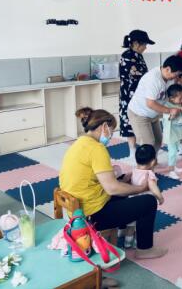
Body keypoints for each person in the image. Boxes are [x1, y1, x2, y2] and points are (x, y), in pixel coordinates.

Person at [59, 107, 166, 259]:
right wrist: (140, 188)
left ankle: (124, 233)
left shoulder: (79, 143)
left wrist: (122, 180)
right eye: (111, 130)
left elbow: (97, 180)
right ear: (104, 127)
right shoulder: (97, 149)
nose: (110, 136)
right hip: (92, 215)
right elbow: (112, 188)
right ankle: (145, 249)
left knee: (124, 189)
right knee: (148, 202)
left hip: (77, 210)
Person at [127, 55, 182, 155]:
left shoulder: (169, 78)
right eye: (176, 74)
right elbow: (150, 103)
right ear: (168, 69)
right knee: (148, 144)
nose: (176, 77)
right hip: (139, 114)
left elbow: (171, 96)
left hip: (153, 114)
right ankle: (144, 163)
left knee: (158, 141)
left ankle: (151, 161)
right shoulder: (153, 79)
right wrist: (170, 110)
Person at [112, 143, 164, 249]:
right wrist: (160, 197)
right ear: (153, 161)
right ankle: (137, 243)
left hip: (131, 202)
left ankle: (127, 243)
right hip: (143, 204)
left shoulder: (133, 171)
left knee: (130, 226)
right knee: (140, 225)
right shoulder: (149, 174)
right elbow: (153, 187)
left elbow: (125, 179)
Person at [119, 30, 154, 157]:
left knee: (142, 120)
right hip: (129, 95)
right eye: (144, 44)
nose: (146, 47)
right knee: (130, 121)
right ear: (136, 43)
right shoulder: (127, 56)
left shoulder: (138, 55)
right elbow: (136, 76)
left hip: (139, 93)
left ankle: (144, 147)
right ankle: (132, 150)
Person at [161, 83, 182, 179]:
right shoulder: (167, 106)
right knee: (172, 152)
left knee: (175, 150)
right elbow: (167, 118)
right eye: (180, 98)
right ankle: (171, 171)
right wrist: (174, 114)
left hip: (177, 132)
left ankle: (173, 166)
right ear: (171, 98)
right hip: (171, 133)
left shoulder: (179, 104)